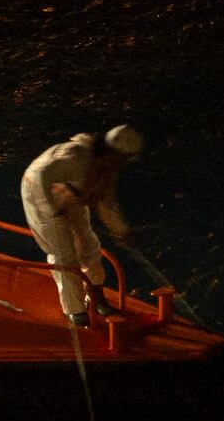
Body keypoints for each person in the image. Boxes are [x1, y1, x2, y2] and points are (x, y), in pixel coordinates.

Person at [18, 124, 147, 325]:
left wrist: (121, 231)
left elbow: (106, 202)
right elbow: (42, 175)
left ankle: (96, 296)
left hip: (71, 196)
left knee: (89, 245)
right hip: (40, 194)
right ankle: (74, 310)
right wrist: (52, 210)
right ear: (116, 153)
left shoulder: (105, 168)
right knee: (64, 254)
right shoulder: (76, 155)